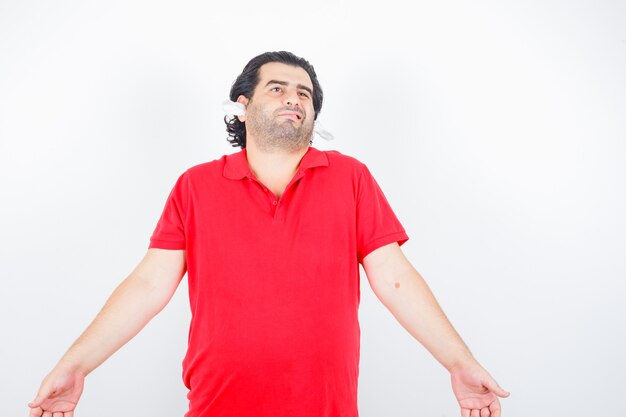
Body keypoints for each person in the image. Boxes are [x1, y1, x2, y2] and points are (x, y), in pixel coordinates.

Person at [28, 51, 509, 417]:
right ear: (244, 105)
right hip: (217, 406)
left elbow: (394, 277)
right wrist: (76, 365)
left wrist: (458, 362)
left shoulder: (352, 178)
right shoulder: (194, 185)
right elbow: (148, 286)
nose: (294, 99)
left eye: (304, 93)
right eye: (277, 88)